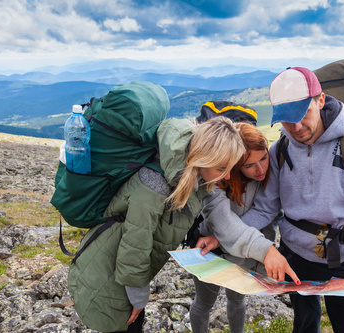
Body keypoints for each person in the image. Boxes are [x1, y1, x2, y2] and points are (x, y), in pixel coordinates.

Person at [239, 67, 344, 333]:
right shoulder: (281, 149)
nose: (296, 127)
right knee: (304, 326)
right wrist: (223, 234)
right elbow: (265, 210)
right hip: (296, 258)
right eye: (287, 120)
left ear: (321, 100)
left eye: (303, 115)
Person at [67, 116, 247, 333]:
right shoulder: (155, 185)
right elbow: (134, 247)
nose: (227, 175)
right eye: (221, 168)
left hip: (121, 274)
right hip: (107, 274)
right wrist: (139, 300)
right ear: (203, 157)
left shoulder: (189, 177)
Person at [190, 122, 299, 333]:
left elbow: (267, 215)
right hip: (210, 251)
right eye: (249, 165)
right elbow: (221, 221)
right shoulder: (217, 179)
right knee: (204, 303)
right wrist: (263, 250)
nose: (260, 169)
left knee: (237, 299)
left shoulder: (268, 176)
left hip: (244, 254)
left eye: (264, 158)